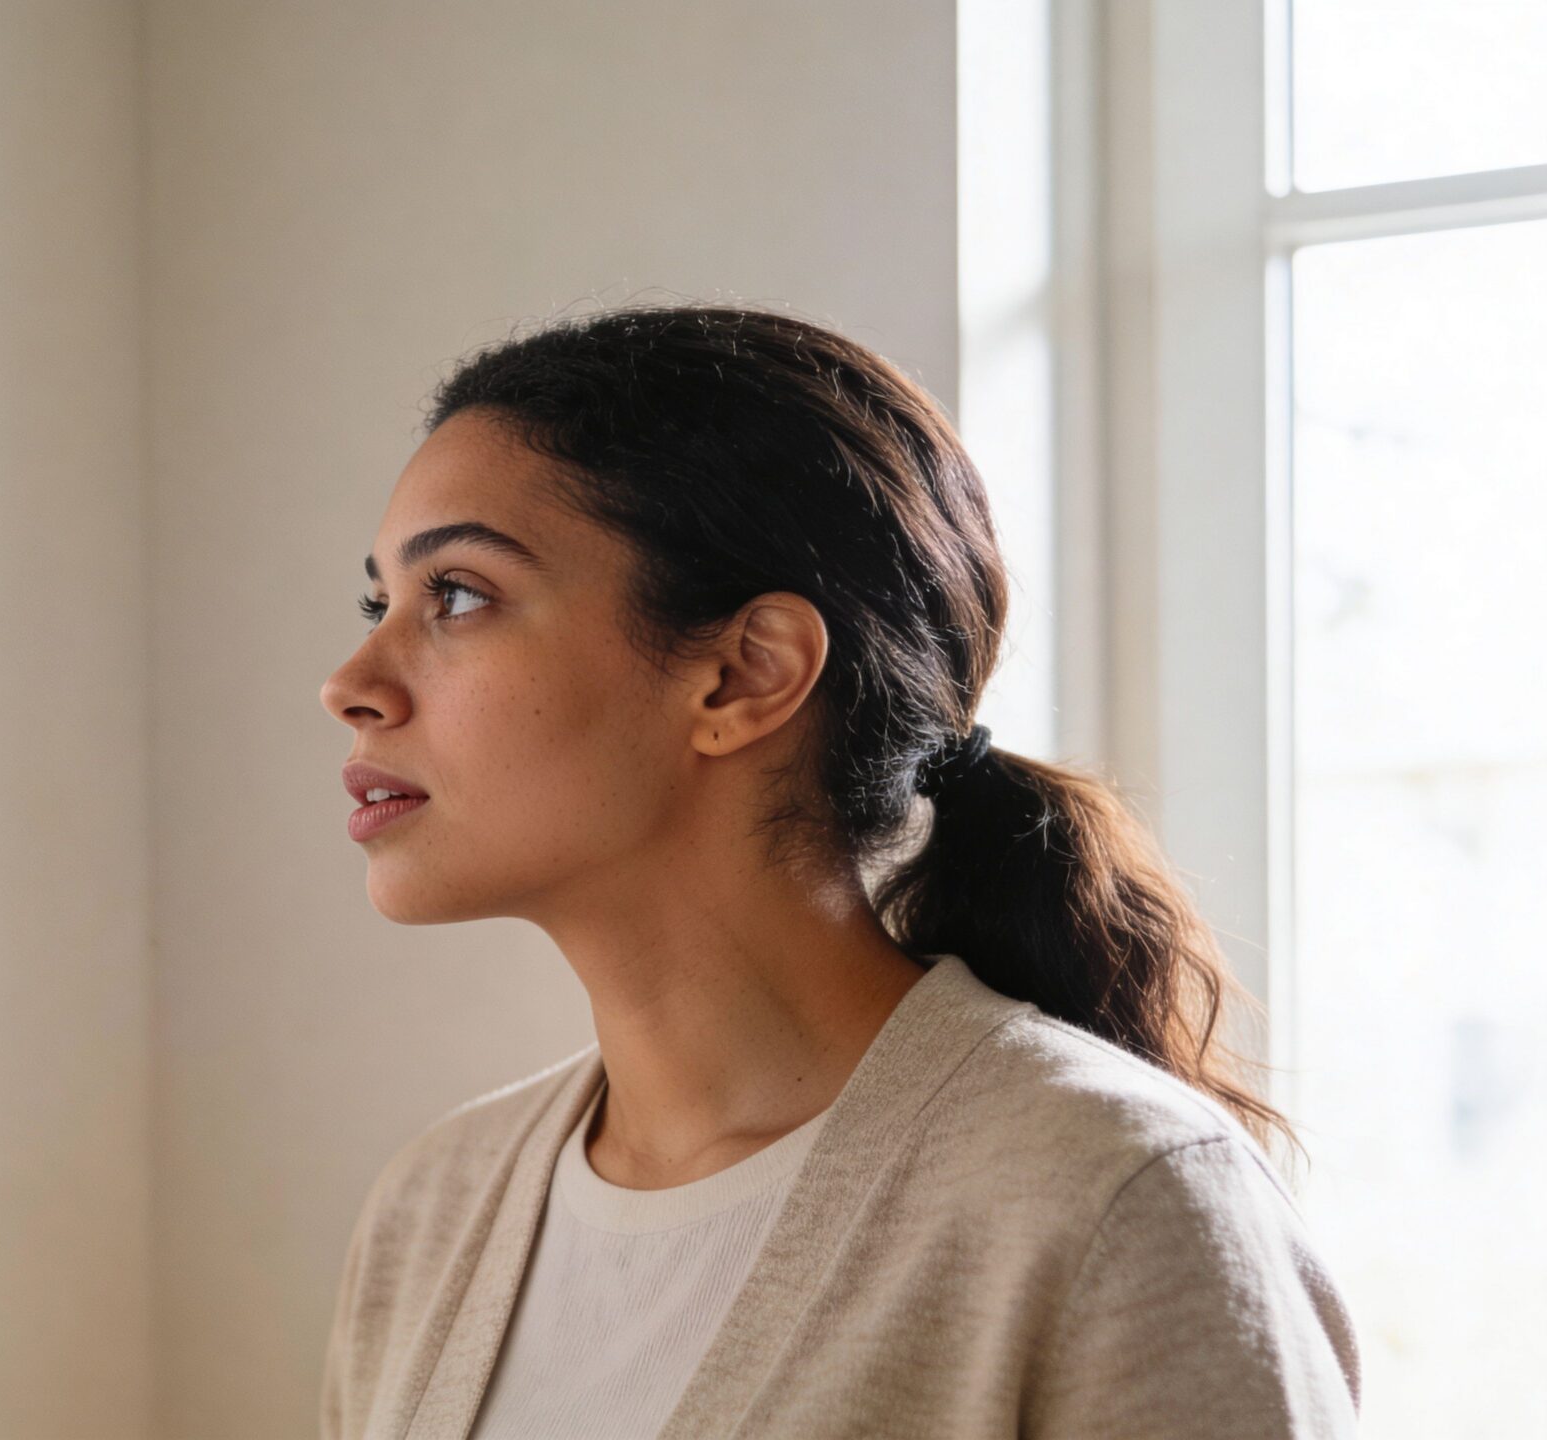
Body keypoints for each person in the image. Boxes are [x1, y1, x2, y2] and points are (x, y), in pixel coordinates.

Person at [316, 304, 1361, 1439]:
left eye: (457, 595)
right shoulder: (435, 1207)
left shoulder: (1112, 1199)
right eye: (381, 600)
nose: (352, 681)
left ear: (743, 674)